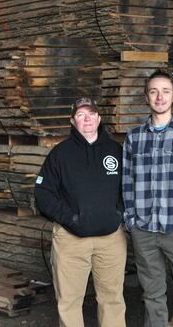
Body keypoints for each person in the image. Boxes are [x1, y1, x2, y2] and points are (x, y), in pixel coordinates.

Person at [122, 69, 173, 327]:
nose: (160, 97)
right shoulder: (134, 137)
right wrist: (131, 220)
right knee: (152, 294)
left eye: (165, 91)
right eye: (154, 91)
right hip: (143, 229)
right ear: (146, 97)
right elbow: (126, 181)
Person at [35, 97, 126, 327]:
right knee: (69, 301)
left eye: (91, 114)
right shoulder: (59, 154)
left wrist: (118, 214)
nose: (87, 119)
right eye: (81, 115)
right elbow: (43, 194)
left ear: (99, 117)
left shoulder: (116, 151)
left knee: (113, 300)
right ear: (72, 121)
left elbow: (130, 188)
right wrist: (70, 218)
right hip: (71, 240)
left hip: (111, 240)